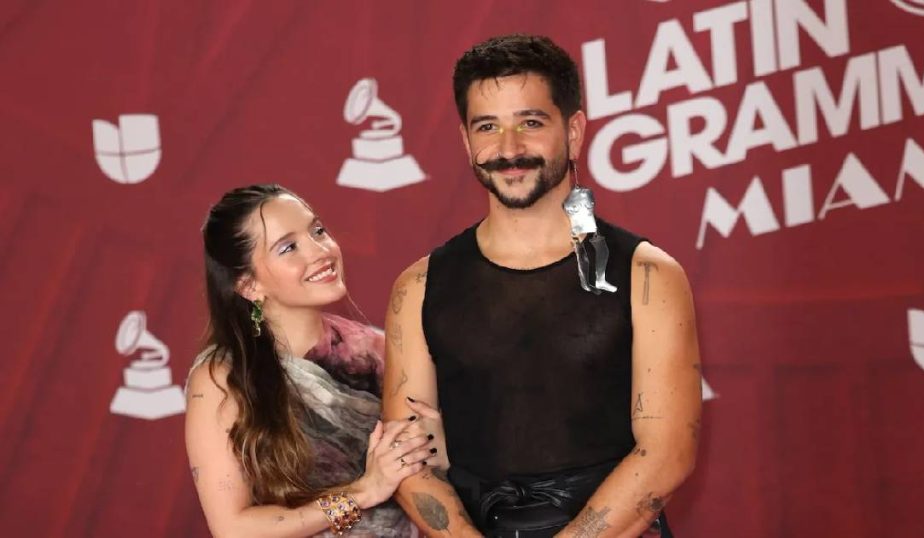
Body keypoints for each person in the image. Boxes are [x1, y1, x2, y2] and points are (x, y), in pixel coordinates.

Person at [382, 35, 702, 537]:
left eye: (530, 123)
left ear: (573, 132)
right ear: (466, 140)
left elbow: (667, 453)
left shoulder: (648, 275)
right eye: (488, 126)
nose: (509, 149)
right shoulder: (418, 287)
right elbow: (406, 461)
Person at [186, 184, 444, 537]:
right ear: (249, 286)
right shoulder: (223, 377)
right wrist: (362, 492)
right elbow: (233, 529)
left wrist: (439, 450)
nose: (321, 251)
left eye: (318, 231)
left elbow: (433, 474)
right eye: (288, 247)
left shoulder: (378, 350)